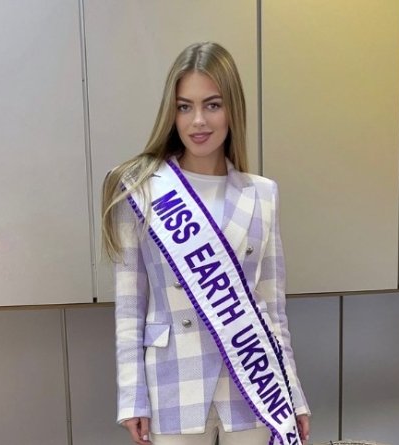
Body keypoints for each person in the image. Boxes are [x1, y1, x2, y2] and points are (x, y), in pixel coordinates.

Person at [101, 42, 310, 445]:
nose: (198, 120)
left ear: (233, 110)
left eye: (212, 105)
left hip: (252, 385)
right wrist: (132, 398)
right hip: (173, 381)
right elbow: (129, 308)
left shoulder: (262, 194)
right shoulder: (141, 190)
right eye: (185, 107)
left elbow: (273, 311)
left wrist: (294, 394)